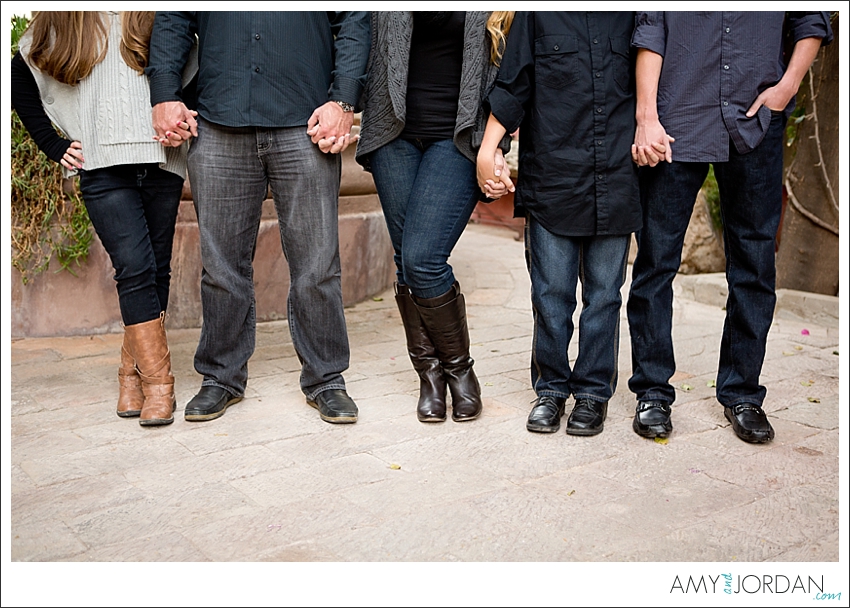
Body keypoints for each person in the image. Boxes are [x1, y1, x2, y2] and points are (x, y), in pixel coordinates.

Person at [146, 12, 370, 424]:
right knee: (221, 266)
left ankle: (326, 379)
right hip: (217, 120)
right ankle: (220, 377)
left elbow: (354, 21)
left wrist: (343, 102)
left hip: (306, 123)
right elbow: (173, 18)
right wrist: (163, 93)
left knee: (317, 264)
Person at [628, 12, 833, 443]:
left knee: (755, 264)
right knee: (655, 261)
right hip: (677, 120)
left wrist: (788, 86)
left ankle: (742, 394)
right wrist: (647, 118)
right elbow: (651, 31)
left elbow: (811, 22)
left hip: (755, 120)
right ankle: (651, 392)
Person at [11, 11, 196, 427]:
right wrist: (51, 144)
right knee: (135, 267)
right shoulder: (64, 14)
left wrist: (186, 113)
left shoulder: (157, 11)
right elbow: (17, 74)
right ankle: (159, 386)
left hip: (162, 159)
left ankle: (131, 377)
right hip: (100, 164)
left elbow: (196, 66)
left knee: (157, 269)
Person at [477, 11, 641, 436]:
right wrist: (488, 148)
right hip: (554, 176)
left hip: (615, 176)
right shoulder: (538, 13)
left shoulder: (632, 16)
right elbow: (514, 85)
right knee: (551, 295)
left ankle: (592, 393)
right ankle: (550, 390)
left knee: (605, 296)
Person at [356, 12, 514, 423]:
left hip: (458, 138)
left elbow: (511, 74)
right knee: (406, 259)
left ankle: (460, 371)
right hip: (393, 135)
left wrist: (496, 145)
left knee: (424, 258)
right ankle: (430, 377)